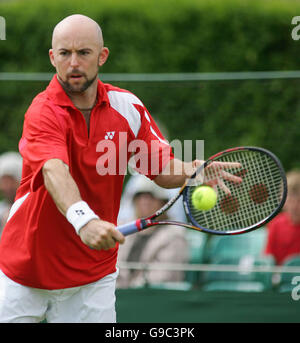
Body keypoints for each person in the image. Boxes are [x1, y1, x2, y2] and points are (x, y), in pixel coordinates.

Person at [0, 14, 240, 323]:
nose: (74, 63)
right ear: (52, 57)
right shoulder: (43, 111)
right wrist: (84, 221)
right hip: (26, 268)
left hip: (92, 275)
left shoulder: (126, 108)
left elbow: (159, 167)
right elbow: (54, 170)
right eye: (65, 53)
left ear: (102, 56)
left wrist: (192, 171)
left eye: (84, 53)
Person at [117, 174, 188, 288]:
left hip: (155, 299)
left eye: (151, 197)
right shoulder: (123, 230)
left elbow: (162, 277)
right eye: (140, 196)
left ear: (163, 203)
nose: (144, 201)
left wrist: (129, 290)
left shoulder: (175, 236)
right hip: (119, 296)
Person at [264, 169, 300, 265]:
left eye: (299, 200)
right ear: (282, 200)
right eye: (290, 199)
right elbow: (268, 257)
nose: (295, 205)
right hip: (279, 277)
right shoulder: (275, 224)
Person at [0, 152, 22, 237]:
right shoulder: (1, 209)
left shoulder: (31, 208)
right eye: (4, 181)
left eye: (11, 180)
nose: (7, 186)